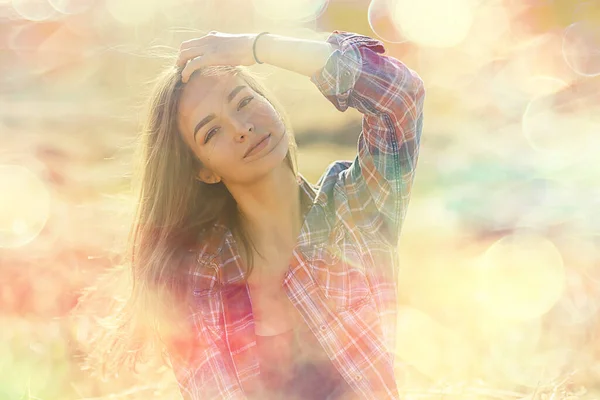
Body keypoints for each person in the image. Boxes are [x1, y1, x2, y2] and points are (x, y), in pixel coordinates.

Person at [82, 30, 424, 400]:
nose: (241, 128)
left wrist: (257, 48)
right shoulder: (199, 281)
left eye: (243, 101)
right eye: (211, 131)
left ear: (269, 102)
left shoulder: (355, 211)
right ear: (203, 170)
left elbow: (399, 95)